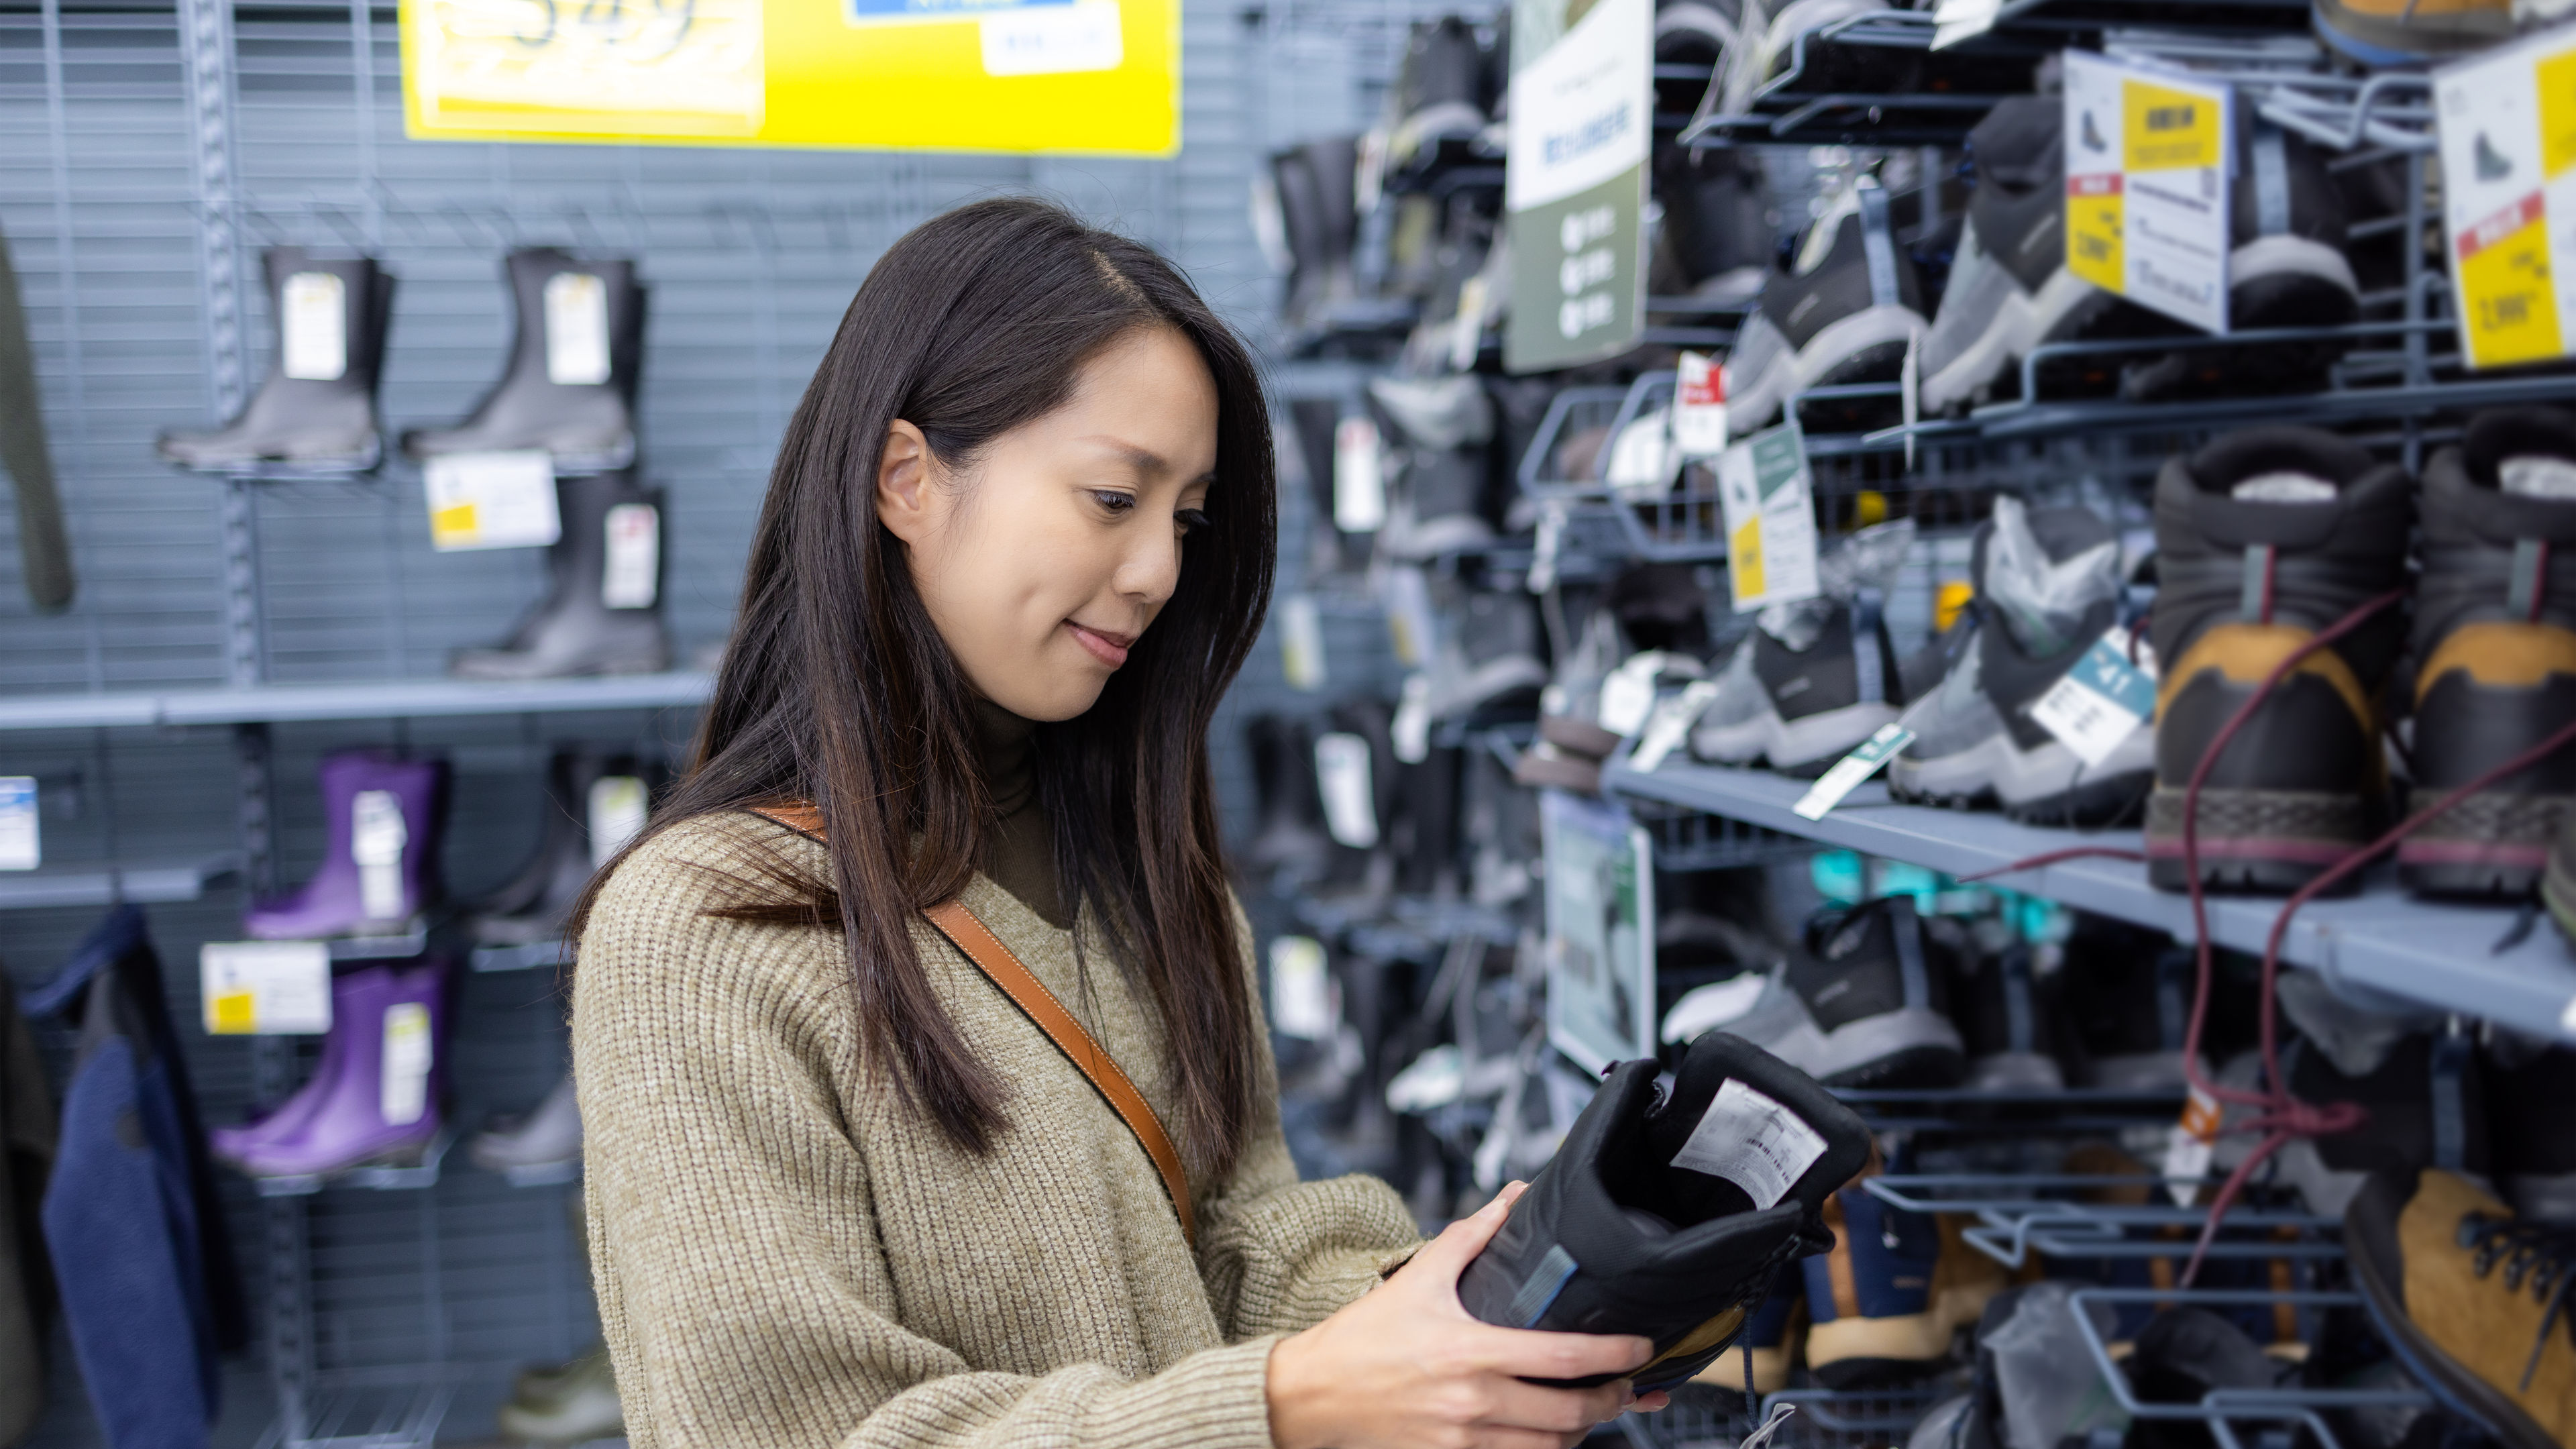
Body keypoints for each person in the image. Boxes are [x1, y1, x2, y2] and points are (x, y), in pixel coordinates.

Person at [570, 197, 1668, 1449]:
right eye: (1111, 498)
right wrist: (1280, 1408)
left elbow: (1240, 1246)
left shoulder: (1148, 871)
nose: (1159, 571)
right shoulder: (709, 930)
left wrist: (1483, 1320)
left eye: (1187, 522)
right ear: (906, 478)